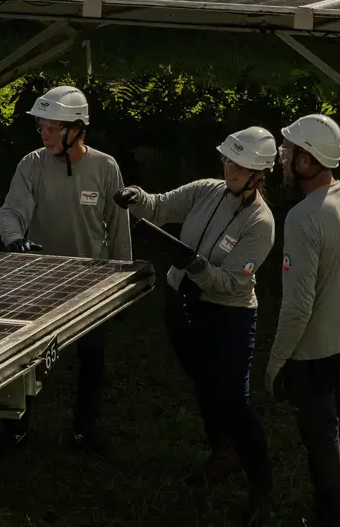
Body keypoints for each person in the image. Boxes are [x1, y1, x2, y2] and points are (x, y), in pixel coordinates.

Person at [116, 127, 279, 525]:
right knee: (205, 385)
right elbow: (160, 206)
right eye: (228, 159)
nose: (230, 169)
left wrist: (195, 265)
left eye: (240, 165)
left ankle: (262, 483)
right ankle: (222, 453)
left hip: (228, 315)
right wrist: (137, 198)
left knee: (232, 400)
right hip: (182, 302)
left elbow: (232, 283)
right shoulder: (208, 189)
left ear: (259, 174)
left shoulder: (261, 223)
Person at [0, 83, 131, 452]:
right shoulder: (31, 165)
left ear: (76, 129)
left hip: (91, 284)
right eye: (40, 127)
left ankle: (84, 433)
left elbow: (118, 223)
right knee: (26, 363)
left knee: (92, 362)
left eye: (52, 128)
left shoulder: (105, 167)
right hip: (39, 282)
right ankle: (16, 433)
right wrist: (14, 239)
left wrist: (123, 281)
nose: (44, 135)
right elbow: (12, 210)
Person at [265, 113, 340, 527]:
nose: (281, 156)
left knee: (321, 439)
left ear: (308, 161)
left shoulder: (302, 218)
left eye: (289, 150)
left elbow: (296, 308)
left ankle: (332, 518)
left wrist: (277, 362)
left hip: (313, 352)